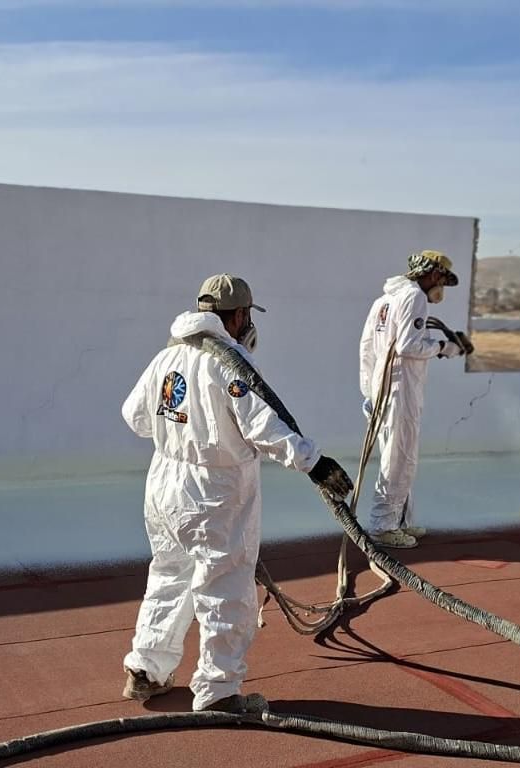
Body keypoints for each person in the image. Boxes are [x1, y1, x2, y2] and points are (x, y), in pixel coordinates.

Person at [121, 274, 353, 713]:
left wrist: (180, 431)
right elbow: (264, 425)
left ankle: (145, 670)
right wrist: (315, 463)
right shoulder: (230, 363)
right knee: (224, 587)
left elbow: (135, 417)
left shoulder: (167, 355)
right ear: (240, 315)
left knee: (169, 576)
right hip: (214, 491)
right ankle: (218, 690)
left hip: (164, 484)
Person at [359, 250, 461, 549]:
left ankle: (400, 519)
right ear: (432, 274)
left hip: (383, 386)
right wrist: (444, 346)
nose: (441, 286)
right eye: (442, 279)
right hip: (400, 388)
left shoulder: (384, 301)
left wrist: (368, 390)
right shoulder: (414, 296)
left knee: (397, 454)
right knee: (400, 457)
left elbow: (367, 347)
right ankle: (383, 525)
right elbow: (408, 344)